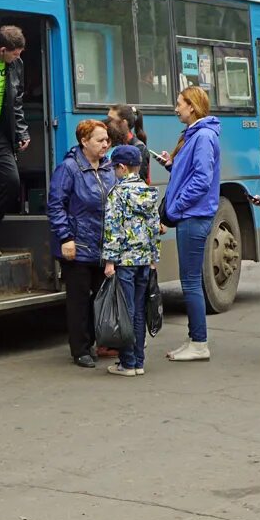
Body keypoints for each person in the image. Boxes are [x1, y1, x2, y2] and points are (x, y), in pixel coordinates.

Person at [153, 87, 220, 362]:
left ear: (192, 106)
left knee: (191, 282)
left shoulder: (202, 136)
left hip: (194, 216)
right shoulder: (197, 134)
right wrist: (172, 165)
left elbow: (202, 180)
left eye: (179, 103)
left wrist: (175, 207)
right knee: (190, 280)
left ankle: (199, 343)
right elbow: (194, 172)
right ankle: (194, 340)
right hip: (193, 214)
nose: (176, 108)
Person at [47, 119, 115, 368]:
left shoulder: (108, 168)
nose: (105, 144)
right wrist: (66, 237)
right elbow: (56, 205)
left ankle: (98, 341)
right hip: (77, 245)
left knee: (101, 296)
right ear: (84, 142)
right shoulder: (69, 168)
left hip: (103, 246)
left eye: (107, 140)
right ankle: (80, 349)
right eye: (100, 140)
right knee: (79, 300)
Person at [102, 144, 161, 377]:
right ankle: (138, 361)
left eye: (115, 167)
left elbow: (112, 229)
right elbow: (155, 228)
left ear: (123, 167)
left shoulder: (117, 193)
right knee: (138, 311)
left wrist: (109, 261)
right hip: (144, 261)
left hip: (125, 262)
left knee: (125, 312)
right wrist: (153, 257)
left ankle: (126, 363)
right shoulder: (148, 191)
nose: (114, 172)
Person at [0, 26, 30, 242]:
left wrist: (21, 132)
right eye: (15, 53)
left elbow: (17, 100)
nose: (18, 57)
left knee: (11, 182)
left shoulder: (16, 65)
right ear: (2, 50)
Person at [108, 104, 152, 182]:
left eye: (111, 120)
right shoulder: (110, 144)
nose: (107, 123)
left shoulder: (138, 148)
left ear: (124, 123)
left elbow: (140, 182)